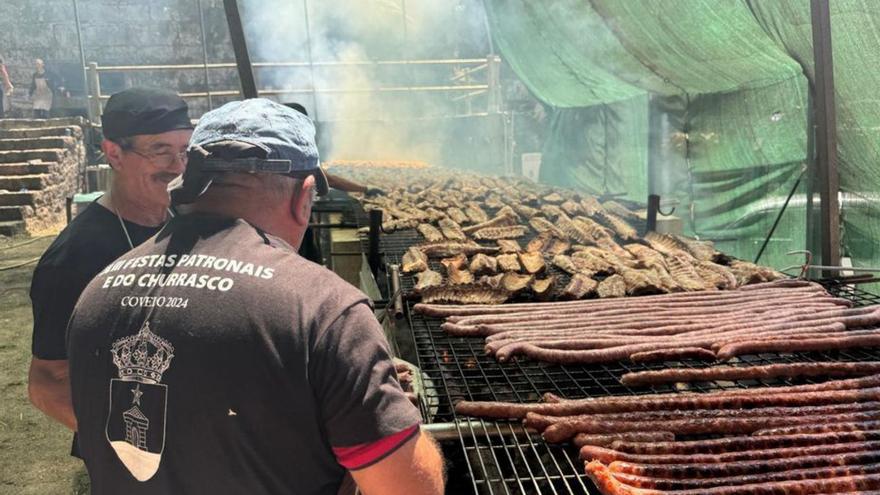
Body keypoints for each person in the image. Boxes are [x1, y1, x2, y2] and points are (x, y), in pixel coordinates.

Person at [66, 98, 444, 494]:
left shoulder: (99, 290)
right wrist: (404, 418)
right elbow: (410, 488)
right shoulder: (323, 307)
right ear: (304, 196)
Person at [28, 88, 192, 446]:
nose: (178, 167)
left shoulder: (187, 221)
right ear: (114, 153)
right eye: (160, 150)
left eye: (184, 151)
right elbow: (47, 381)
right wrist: (132, 446)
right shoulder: (74, 256)